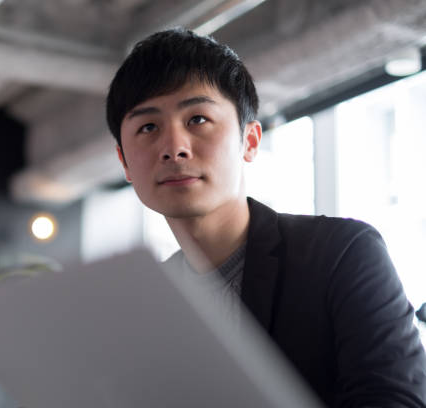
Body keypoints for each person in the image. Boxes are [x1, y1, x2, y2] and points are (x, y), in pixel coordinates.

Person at [106, 28, 426, 407]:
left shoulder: (341, 253)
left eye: (198, 120)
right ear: (125, 162)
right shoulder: (152, 303)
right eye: (148, 127)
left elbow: (394, 401)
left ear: (250, 141)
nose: (174, 148)